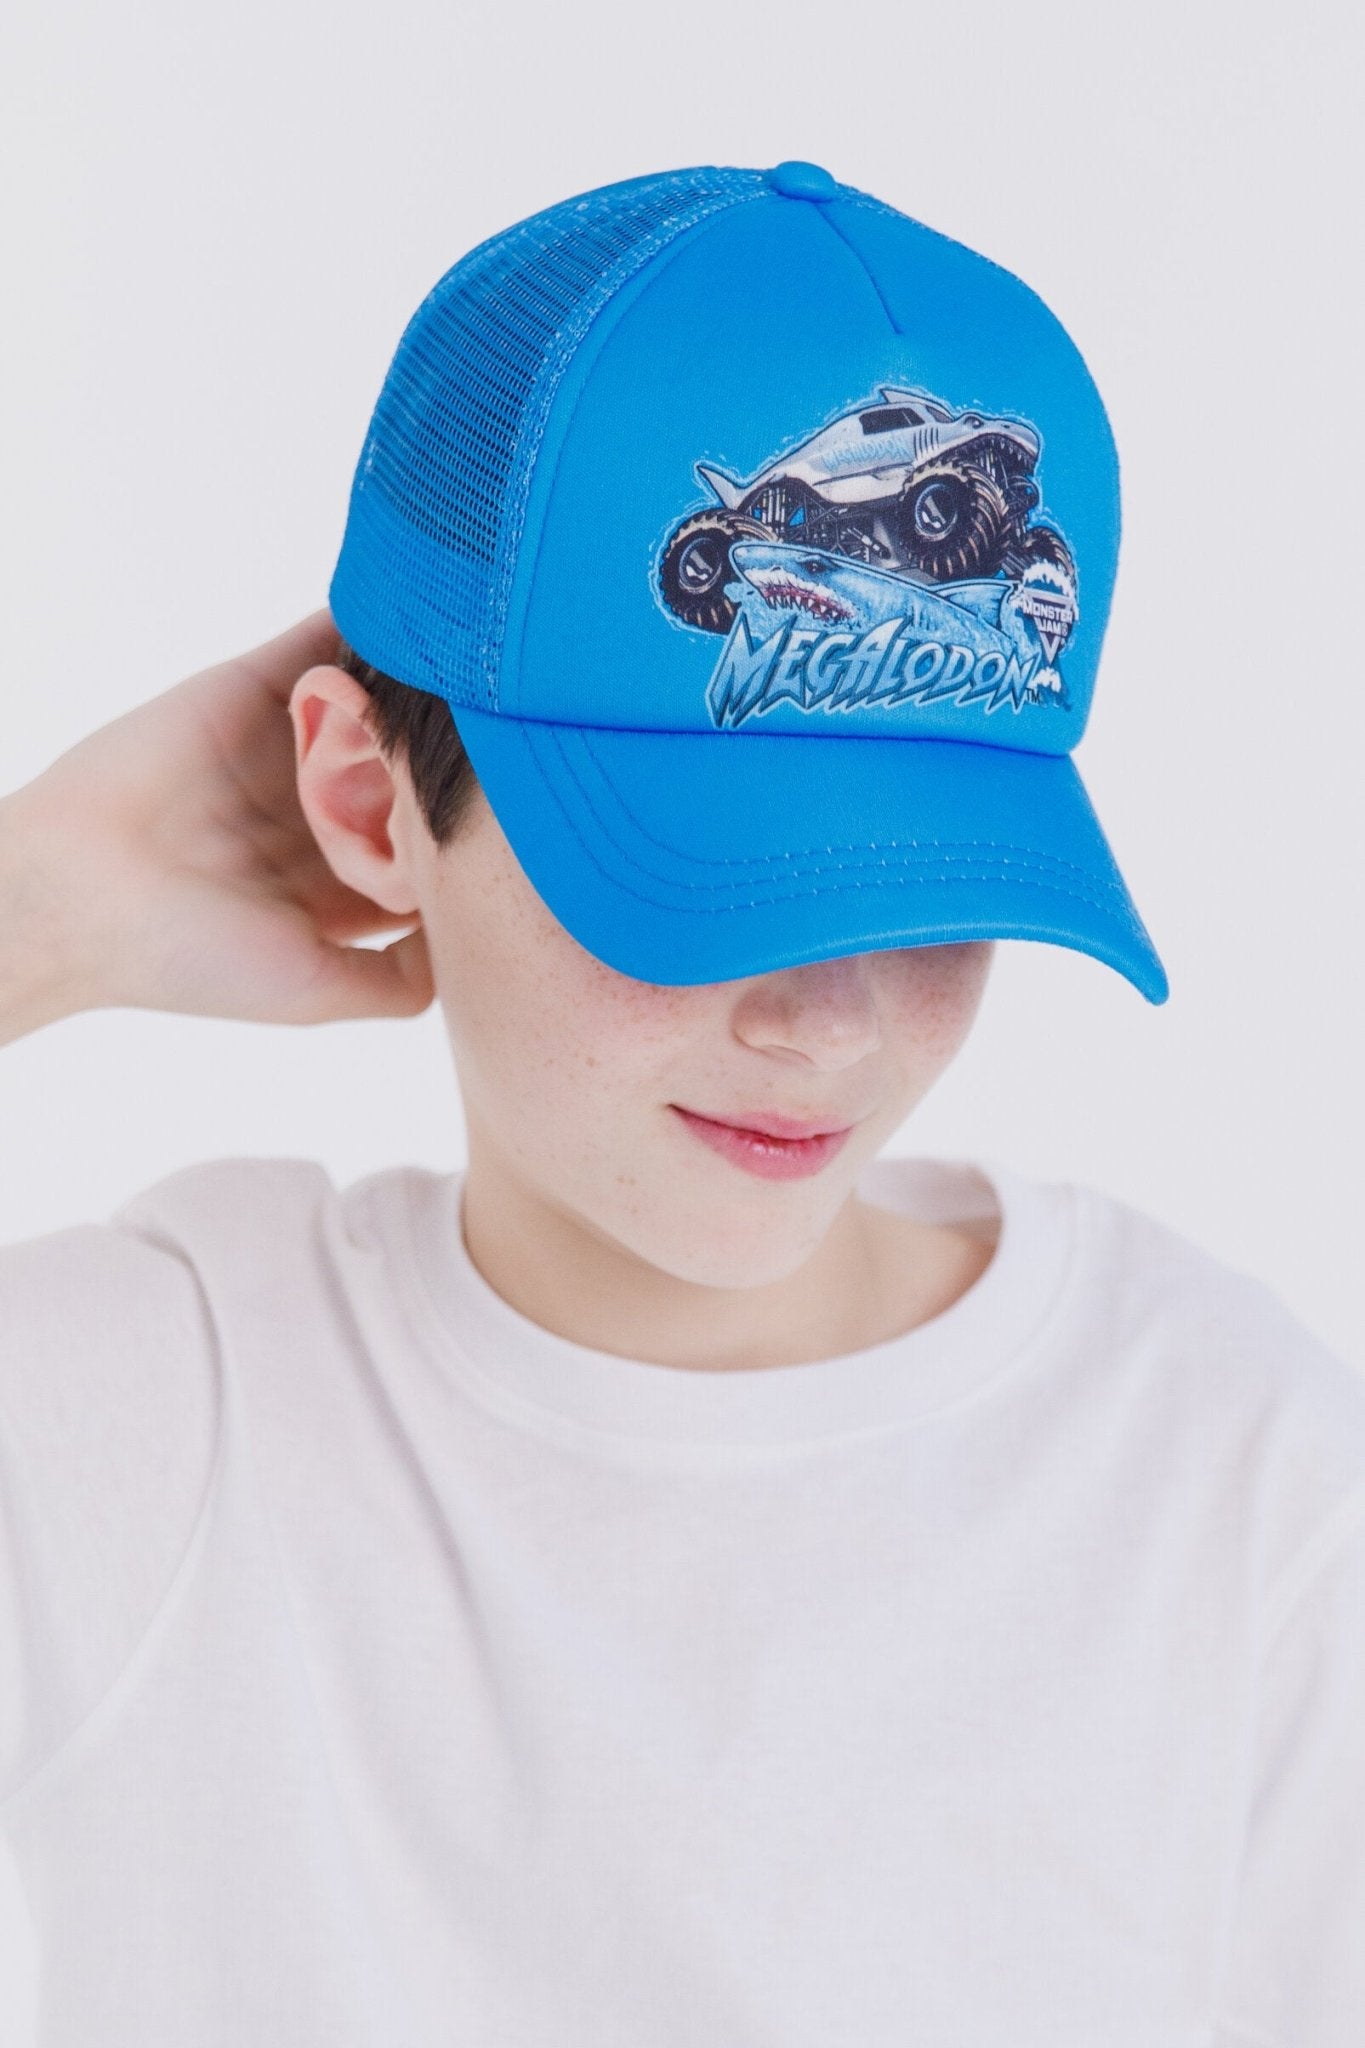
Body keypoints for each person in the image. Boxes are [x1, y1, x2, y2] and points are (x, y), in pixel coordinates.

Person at [1, 159, 1362, 2048]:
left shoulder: (1230, 1478)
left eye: (929, 890)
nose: (826, 1028)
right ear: (374, 803)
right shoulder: (149, 1420)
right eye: (703, 889)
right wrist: (39, 909)